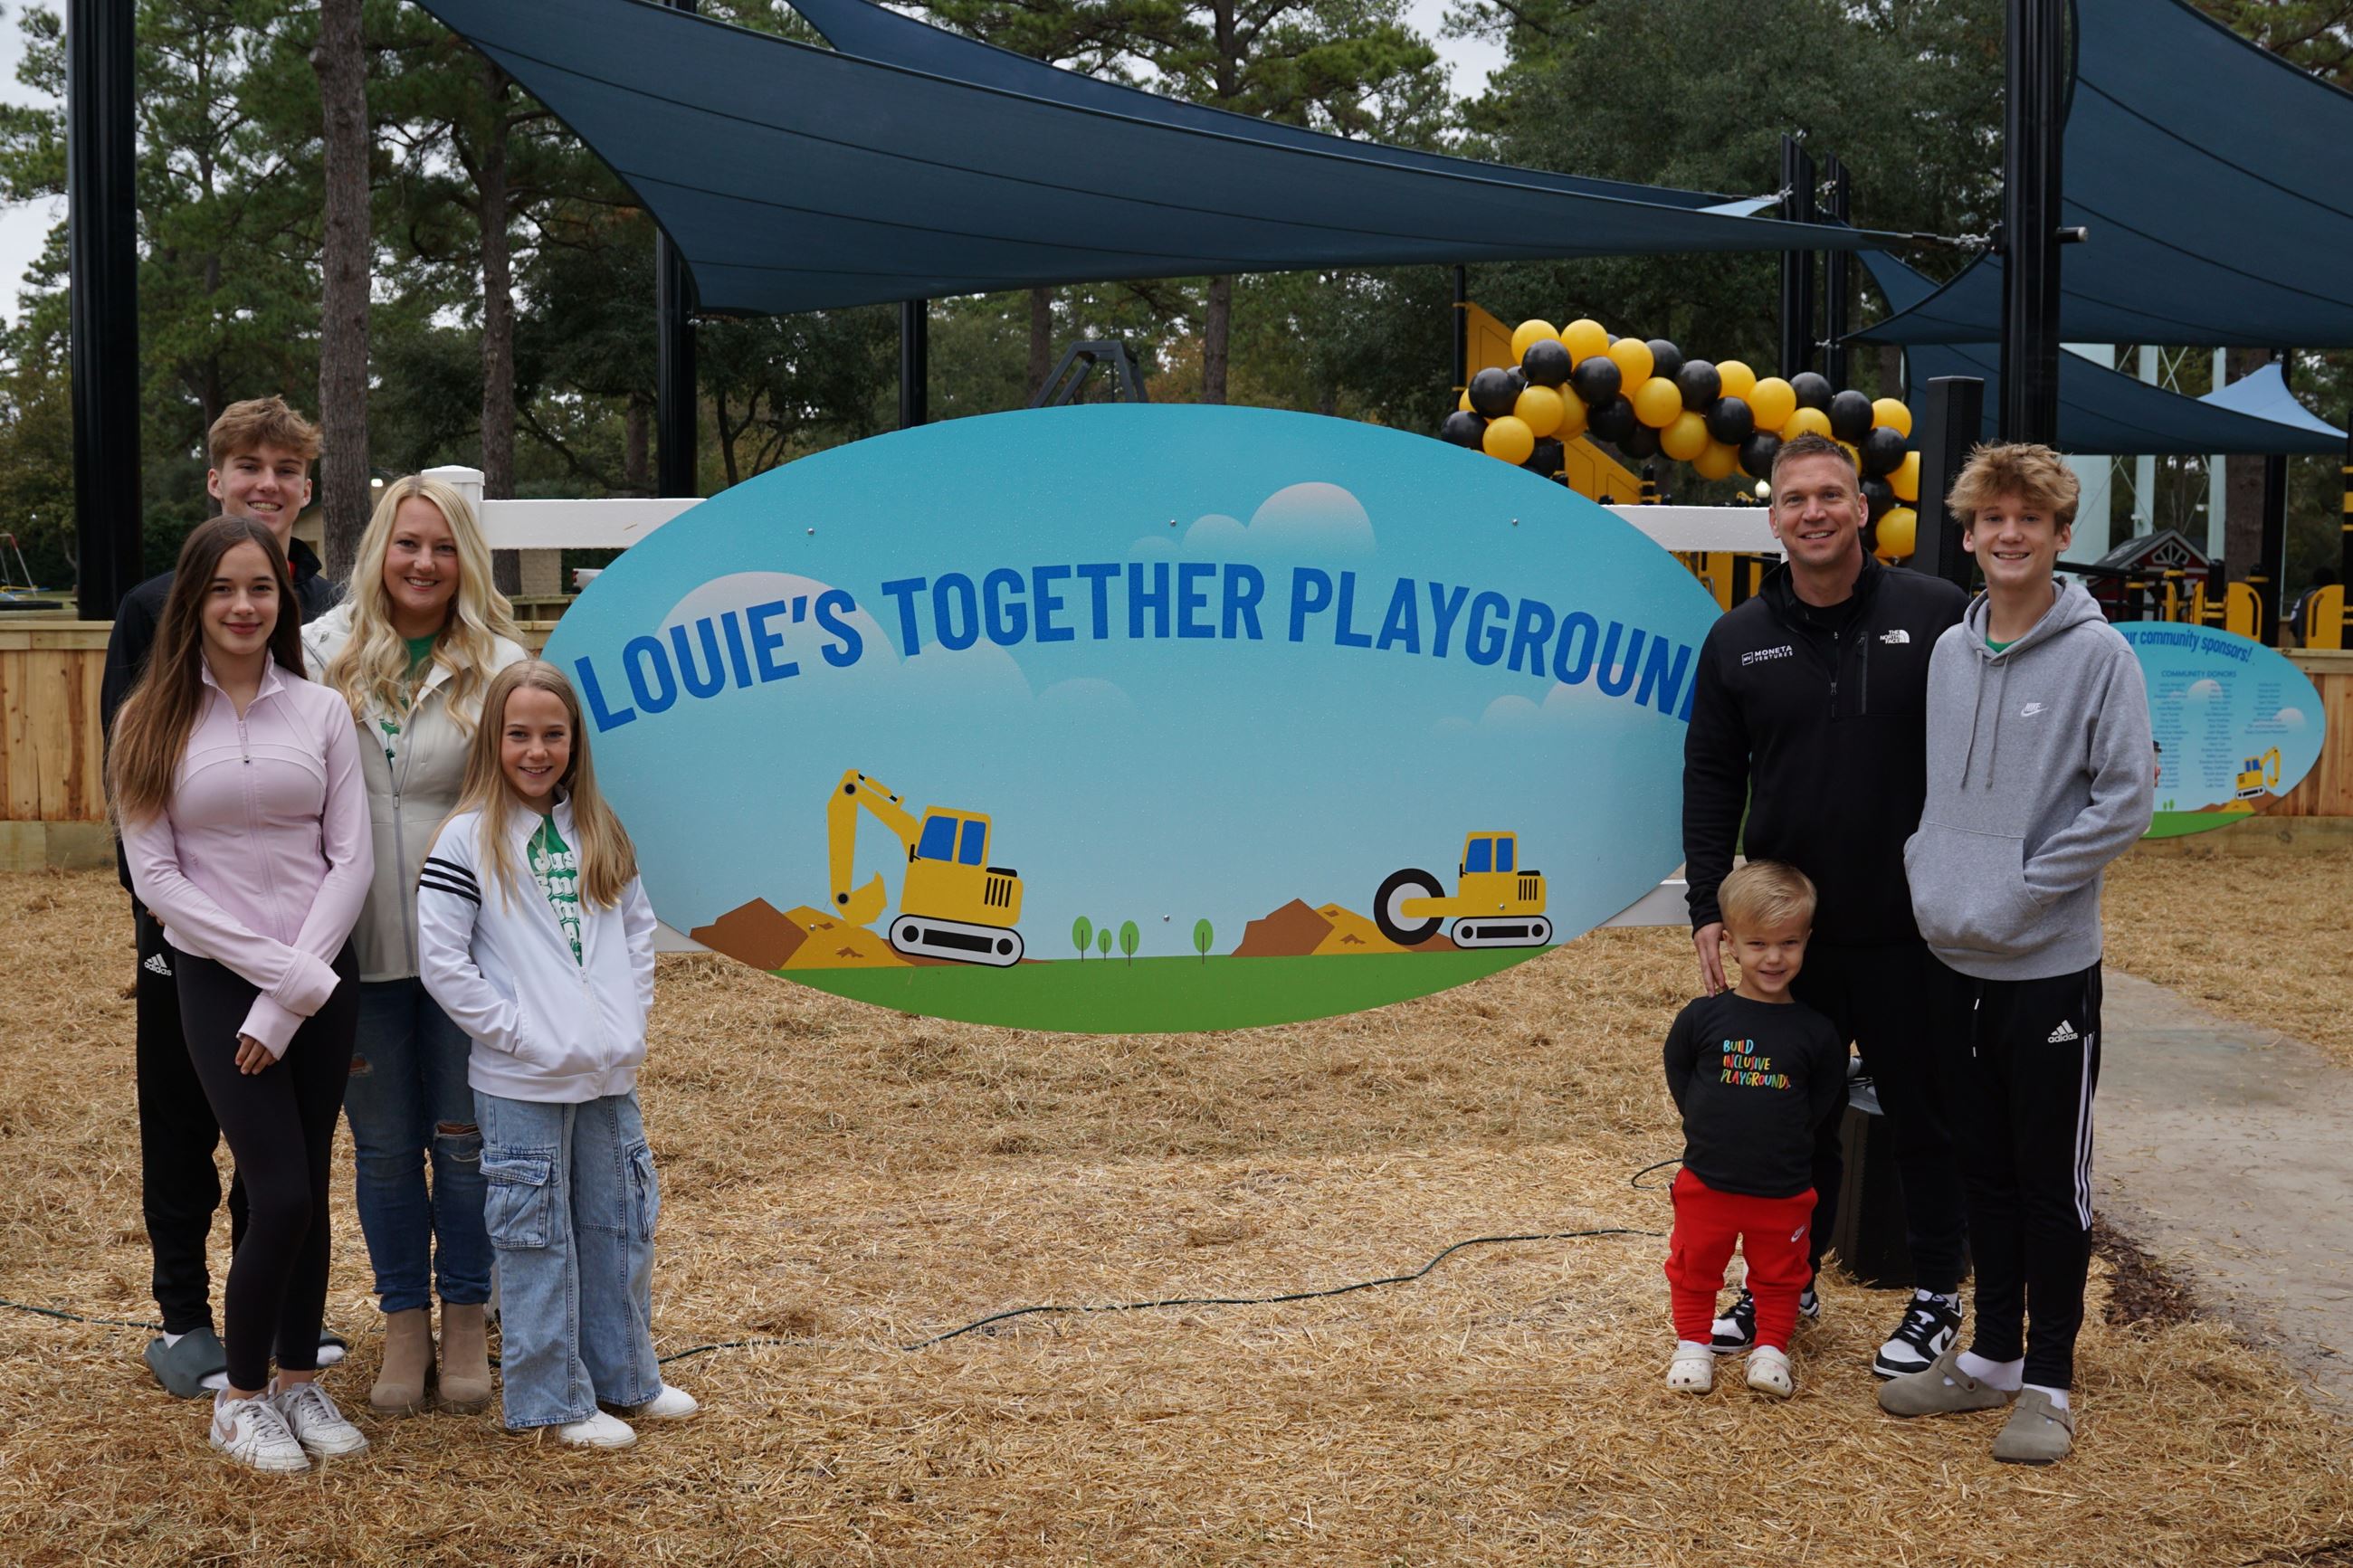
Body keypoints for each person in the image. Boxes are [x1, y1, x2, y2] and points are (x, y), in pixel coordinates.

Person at [1879, 443, 2153, 1465]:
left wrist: (2026, 885)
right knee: (1978, 1168)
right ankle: (1989, 1354)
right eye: (1990, 518)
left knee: (2050, 1180)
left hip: (2045, 968)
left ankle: (2047, 1379)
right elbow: (1935, 794)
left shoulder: (2097, 655)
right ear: (1966, 532)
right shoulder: (1949, 652)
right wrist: (1932, 869)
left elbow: (2126, 798)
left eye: (2028, 519)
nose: (2007, 534)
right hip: (1952, 959)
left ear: (2057, 535)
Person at [1681, 432, 1973, 1378]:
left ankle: (1935, 1294)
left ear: (1861, 507)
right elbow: (1711, 776)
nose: (1812, 511)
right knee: (1786, 1121)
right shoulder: (1736, 638)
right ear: (1772, 517)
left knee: (1925, 1116)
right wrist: (1706, 904)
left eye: (1830, 494)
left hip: (1910, 930)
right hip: (1787, 938)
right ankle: (1785, 1285)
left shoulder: (1934, 614)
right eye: (1794, 497)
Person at [110, 516, 374, 1472]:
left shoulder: (321, 711)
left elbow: (351, 858)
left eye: (260, 587)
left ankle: (302, 1381)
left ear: (282, 600)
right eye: (223, 587)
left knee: (307, 1186)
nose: (242, 604)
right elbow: (158, 879)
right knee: (282, 1191)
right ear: (194, 599)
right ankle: (244, 1396)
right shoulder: (149, 718)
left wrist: (295, 993)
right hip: (219, 980)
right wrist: (278, 978)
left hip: (312, 982)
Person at [416, 662, 697, 1447]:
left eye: (553, 734)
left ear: (574, 743)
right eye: (519, 734)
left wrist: (628, 1019)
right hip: (521, 1078)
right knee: (535, 1233)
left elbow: (637, 931)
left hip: (607, 1071)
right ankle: (553, 1397)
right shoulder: (468, 838)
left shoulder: (600, 830)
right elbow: (444, 963)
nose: (536, 750)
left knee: (619, 1222)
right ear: (493, 741)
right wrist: (521, 1034)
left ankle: (625, 1376)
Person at [303, 476, 529, 1417]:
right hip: (352, 949)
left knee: (467, 1143)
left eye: (442, 546)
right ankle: (403, 1323)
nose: (424, 562)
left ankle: (468, 1317)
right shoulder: (320, 652)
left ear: (464, 556)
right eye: (407, 544)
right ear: (378, 553)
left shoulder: (500, 661)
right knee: (387, 1149)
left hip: (467, 949)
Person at [1661, 861, 1847, 1399]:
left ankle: (1771, 1349)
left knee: (1782, 1274)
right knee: (1694, 1267)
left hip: (1783, 1188)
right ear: (1730, 944)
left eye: (1788, 943)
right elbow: (1681, 1072)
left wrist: (1779, 1138)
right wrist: (1705, 1125)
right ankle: (1693, 1345)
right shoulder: (1702, 1018)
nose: (1773, 957)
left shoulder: (1816, 1031)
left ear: (1807, 941)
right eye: (1758, 943)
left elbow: (1821, 1098)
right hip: (1708, 1180)